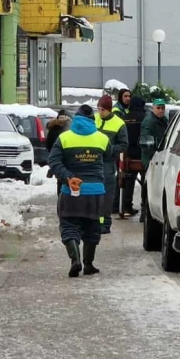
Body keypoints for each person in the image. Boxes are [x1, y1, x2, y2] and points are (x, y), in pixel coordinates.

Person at [48, 105, 112, 277]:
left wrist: (68, 177)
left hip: (71, 191)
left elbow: (54, 161)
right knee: (92, 227)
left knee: (69, 225)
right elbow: (109, 156)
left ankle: (75, 259)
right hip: (96, 192)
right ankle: (88, 264)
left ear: (76, 119)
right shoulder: (102, 138)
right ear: (92, 119)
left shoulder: (64, 138)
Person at [95, 94, 129, 234]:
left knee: (107, 194)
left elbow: (123, 145)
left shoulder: (119, 124)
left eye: (102, 110)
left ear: (109, 109)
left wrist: (109, 150)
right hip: (92, 161)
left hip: (108, 163)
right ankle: (94, 222)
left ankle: (105, 223)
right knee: (93, 193)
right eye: (98, 109)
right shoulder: (94, 119)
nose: (100, 112)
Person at [119, 96, 147, 218]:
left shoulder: (124, 118)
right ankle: (144, 208)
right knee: (145, 181)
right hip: (143, 153)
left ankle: (127, 207)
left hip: (128, 155)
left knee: (129, 181)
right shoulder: (145, 118)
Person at [140, 97, 170, 166]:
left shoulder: (164, 120)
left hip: (161, 155)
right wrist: (154, 155)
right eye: (158, 108)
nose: (161, 110)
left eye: (163, 108)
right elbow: (145, 142)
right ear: (153, 108)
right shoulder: (149, 122)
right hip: (151, 158)